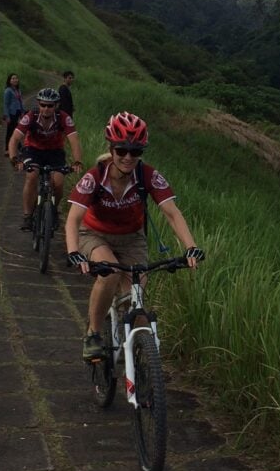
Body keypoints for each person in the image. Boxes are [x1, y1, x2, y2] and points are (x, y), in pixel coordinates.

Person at [65, 111, 204, 362]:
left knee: (136, 301)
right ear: (111, 148)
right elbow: (74, 218)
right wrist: (74, 252)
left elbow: (172, 213)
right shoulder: (95, 176)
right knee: (109, 273)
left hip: (132, 238)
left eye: (136, 152)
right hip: (95, 234)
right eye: (122, 150)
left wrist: (191, 247)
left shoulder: (148, 175)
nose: (128, 157)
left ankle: (143, 365)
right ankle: (93, 333)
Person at [8, 87, 83, 231]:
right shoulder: (31, 116)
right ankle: (28, 216)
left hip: (55, 152)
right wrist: (14, 158)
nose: (46, 109)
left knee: (59, 181)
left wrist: (77, 161)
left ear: (56, 106)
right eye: (43, 105)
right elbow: (15, 138)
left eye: (50, 106)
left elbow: (74, 140)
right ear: (38, 104)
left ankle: (53, 210)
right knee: (32, 175)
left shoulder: (63, 117)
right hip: (33, 150)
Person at [3, 73, 25, 156]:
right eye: (13, 78)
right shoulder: (8, 91)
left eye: (16, 78)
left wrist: (22, 111)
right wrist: (7, 116)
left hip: (17, 112)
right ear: (9, 81)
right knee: (11, 131)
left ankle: (15, 148)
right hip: (11, 113)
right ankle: (9, 149)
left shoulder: (18, 90)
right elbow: (5, 104)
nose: (15, 80)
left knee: (14, 130)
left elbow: (20, 101)